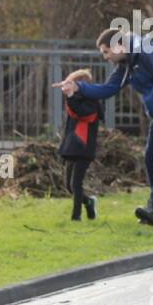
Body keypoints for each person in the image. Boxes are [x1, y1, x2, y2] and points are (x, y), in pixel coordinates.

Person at [57, 27, 153, 226]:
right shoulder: (127, 64)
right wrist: (78, 87)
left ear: (118, 45)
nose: (105, 57)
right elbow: (108, 89)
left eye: (106, 52)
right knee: (150, 159)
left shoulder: (148, 53)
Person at [55, 68, 100, 221]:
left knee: (76, 184)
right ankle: (89, 202)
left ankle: (76, 217)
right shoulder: (73, 100)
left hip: (84, 147)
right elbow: (72, 116)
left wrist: (70, 96)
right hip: (72, 147)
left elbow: (82, 114)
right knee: (68, 186)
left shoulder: (92, 102)